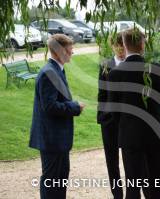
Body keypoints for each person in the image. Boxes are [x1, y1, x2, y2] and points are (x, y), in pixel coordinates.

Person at [107, 28, 160, 199]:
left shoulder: (115, 74)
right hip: (154, 132)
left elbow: (114, 110)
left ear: (124, 45)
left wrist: (127, 123)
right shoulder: (154, 69)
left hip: (130, 134)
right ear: (142, 44)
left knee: (133, 184)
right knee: (157, 183)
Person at [29, 34, 85, 199]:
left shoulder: (56, 70)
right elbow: (50, 107)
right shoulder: (49, 73)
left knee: (60, 181)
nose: (72, 52)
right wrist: (75, 107)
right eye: (70, 49)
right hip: (52, 139)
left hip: (57, 139)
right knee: (52, 182)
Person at [97, 32, 125, 199]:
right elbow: (101, 93)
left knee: (131, 159)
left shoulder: (132, 65)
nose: (120, 48)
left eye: (122, 45)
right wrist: (102, 117)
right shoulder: (105, 65)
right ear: (113, 46)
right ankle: (117, 194)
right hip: (109, 122)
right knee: (111, 161)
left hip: (128, 121)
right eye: (117, 45)